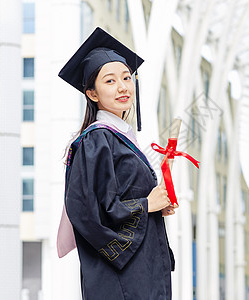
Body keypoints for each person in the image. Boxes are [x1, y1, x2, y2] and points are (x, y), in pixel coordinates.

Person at [57, 27, 176, 299]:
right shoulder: (96, 140)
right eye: (110, 81)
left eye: (126, 77)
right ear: (92, 94)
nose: (123, 86)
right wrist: (147, 205)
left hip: (141, 269)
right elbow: (89, 212)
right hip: (122, 277)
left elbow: (120, 201)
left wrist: (155, 208)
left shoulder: (119, 138)